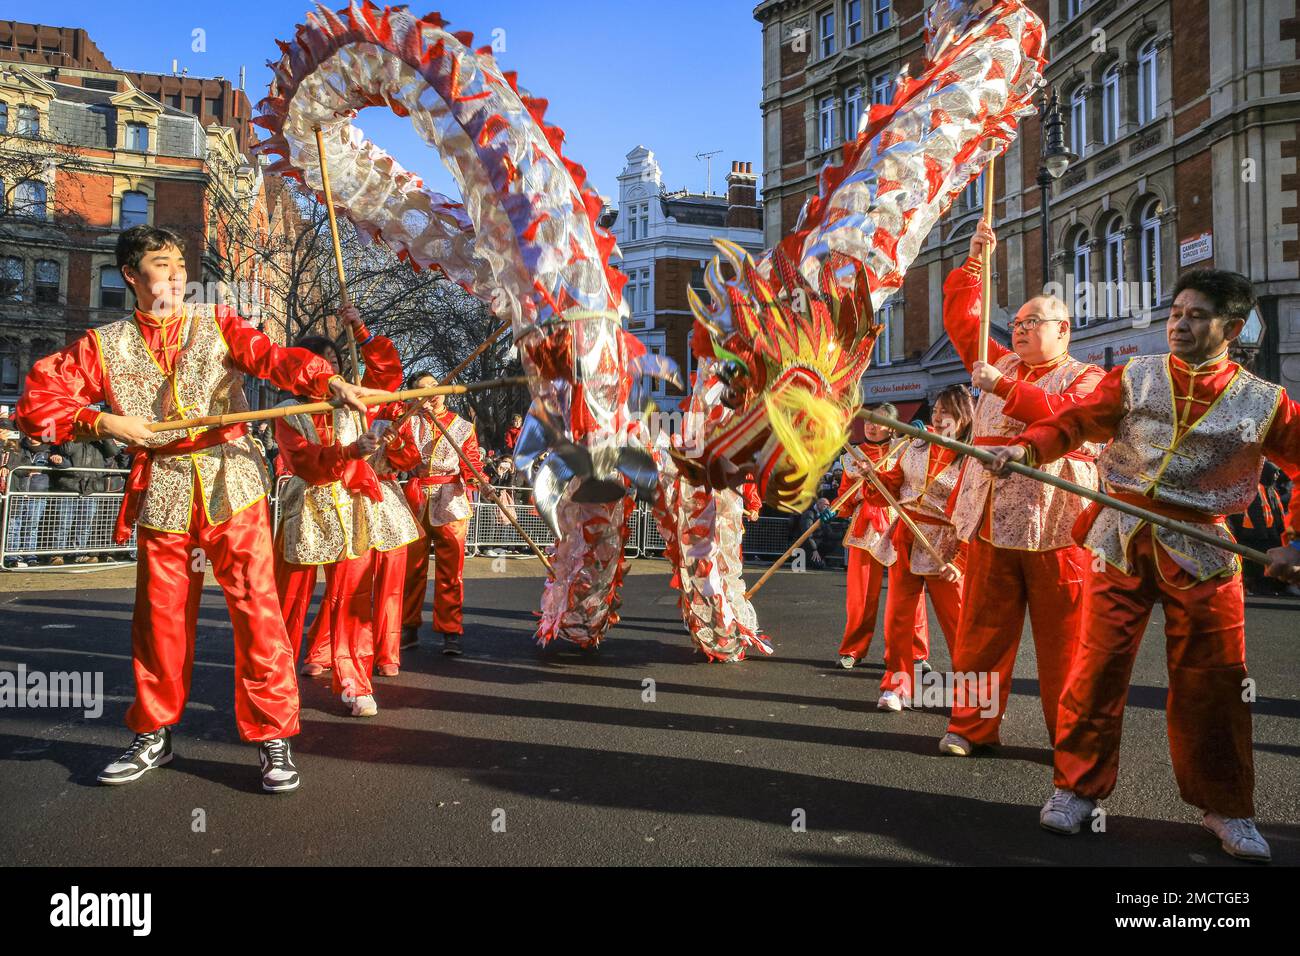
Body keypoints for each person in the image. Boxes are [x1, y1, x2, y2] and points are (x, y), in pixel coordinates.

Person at [14, 224, 375, 793]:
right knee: (159, 621)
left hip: (231, 483)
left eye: (181, 264)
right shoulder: (102, 344)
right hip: (162, 491)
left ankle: (272, 736)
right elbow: (38, 398)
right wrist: (106, 421)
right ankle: (153, 733)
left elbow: (274, 359)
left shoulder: (219, 321)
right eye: (162, 264)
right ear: (130, 275)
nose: (178, 275)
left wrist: (326, 379)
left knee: (258, 612)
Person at [986, 269, 1300, 863]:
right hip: (1120, 538)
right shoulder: (1134, 375)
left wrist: (1296, 542)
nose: (1178, 324)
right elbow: (1075, 422)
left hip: (1206, 551)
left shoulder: (1268, 401)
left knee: (1217, 684)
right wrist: (1027, 448)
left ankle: (1226, 806)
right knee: (1095, 671)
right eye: (1175, 312)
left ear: (1231, 328)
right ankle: (1075, 788)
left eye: (1195, 315)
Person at [938, 221, 1106, 757]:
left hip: (1060, 524)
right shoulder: (998, 364)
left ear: (1064, 331)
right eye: (1016, 322)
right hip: (990, 518)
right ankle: (970, 726)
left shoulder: (1087, 378)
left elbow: (1066, 418)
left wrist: (1004, 387)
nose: (1020, 329)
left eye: (1035, 322)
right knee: (980, 632)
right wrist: (973, 264)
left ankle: (1069, 737)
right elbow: (964, 321)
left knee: (1068, 639)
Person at [276, 307, 420, 714]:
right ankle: (276, 673)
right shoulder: (286, 411)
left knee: (352, 601)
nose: (332, 371)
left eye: (337, 363)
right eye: (322, 364)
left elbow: (389, 376)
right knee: (290, 599)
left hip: (354, 509)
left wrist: (359, 329)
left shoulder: (357, 400)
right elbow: (304, 462)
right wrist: (348, 452)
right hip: (306, 511)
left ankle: (355, 683)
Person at [865, 385, 974, 712]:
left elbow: (974, 510)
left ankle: (969, 695)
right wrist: (874, 477)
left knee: (959, 624)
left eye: (948, 412)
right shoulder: (915, 446)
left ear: (964, 417)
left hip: (945, 546)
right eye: (937, 410)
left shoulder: (973, 457)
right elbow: (893, 487)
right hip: (906, 537)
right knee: (898, 618)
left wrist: (962, 559)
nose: (939, 417)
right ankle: (896, 686)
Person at [835, 404, 928, 670]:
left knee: (910, 593)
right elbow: (845, 496)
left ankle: (916, 651)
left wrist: (922, 433)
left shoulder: (907, 448)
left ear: (893, 426)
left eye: (879, 422)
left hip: (899, 526)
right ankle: (853, 649)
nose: (872, 426)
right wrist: (837, 508)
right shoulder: (852, 455)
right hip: (865, 530)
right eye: (868, 422)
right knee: (860, 597)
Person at [400, 371, 482, 655]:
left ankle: (450, 631)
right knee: (411, 570)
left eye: (435, 386)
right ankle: (408, 627)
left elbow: (471, 461)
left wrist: (476, 479)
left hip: (452, 502)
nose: (431, 392)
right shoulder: (406, 423)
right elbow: (402, 457)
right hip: (417, 498)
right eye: (422, 390)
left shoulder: (462, 426)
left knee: (451, 572)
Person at [51, 437, 121, 565]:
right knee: (63, 523)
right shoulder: (74, 438)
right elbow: (66, 449)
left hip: (91, 487)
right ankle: (57, 554)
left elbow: (113, 452)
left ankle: (79, 553)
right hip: (70, 486)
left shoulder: (100, 442)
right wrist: (77, 434)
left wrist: (103, 435)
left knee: (84, 525)